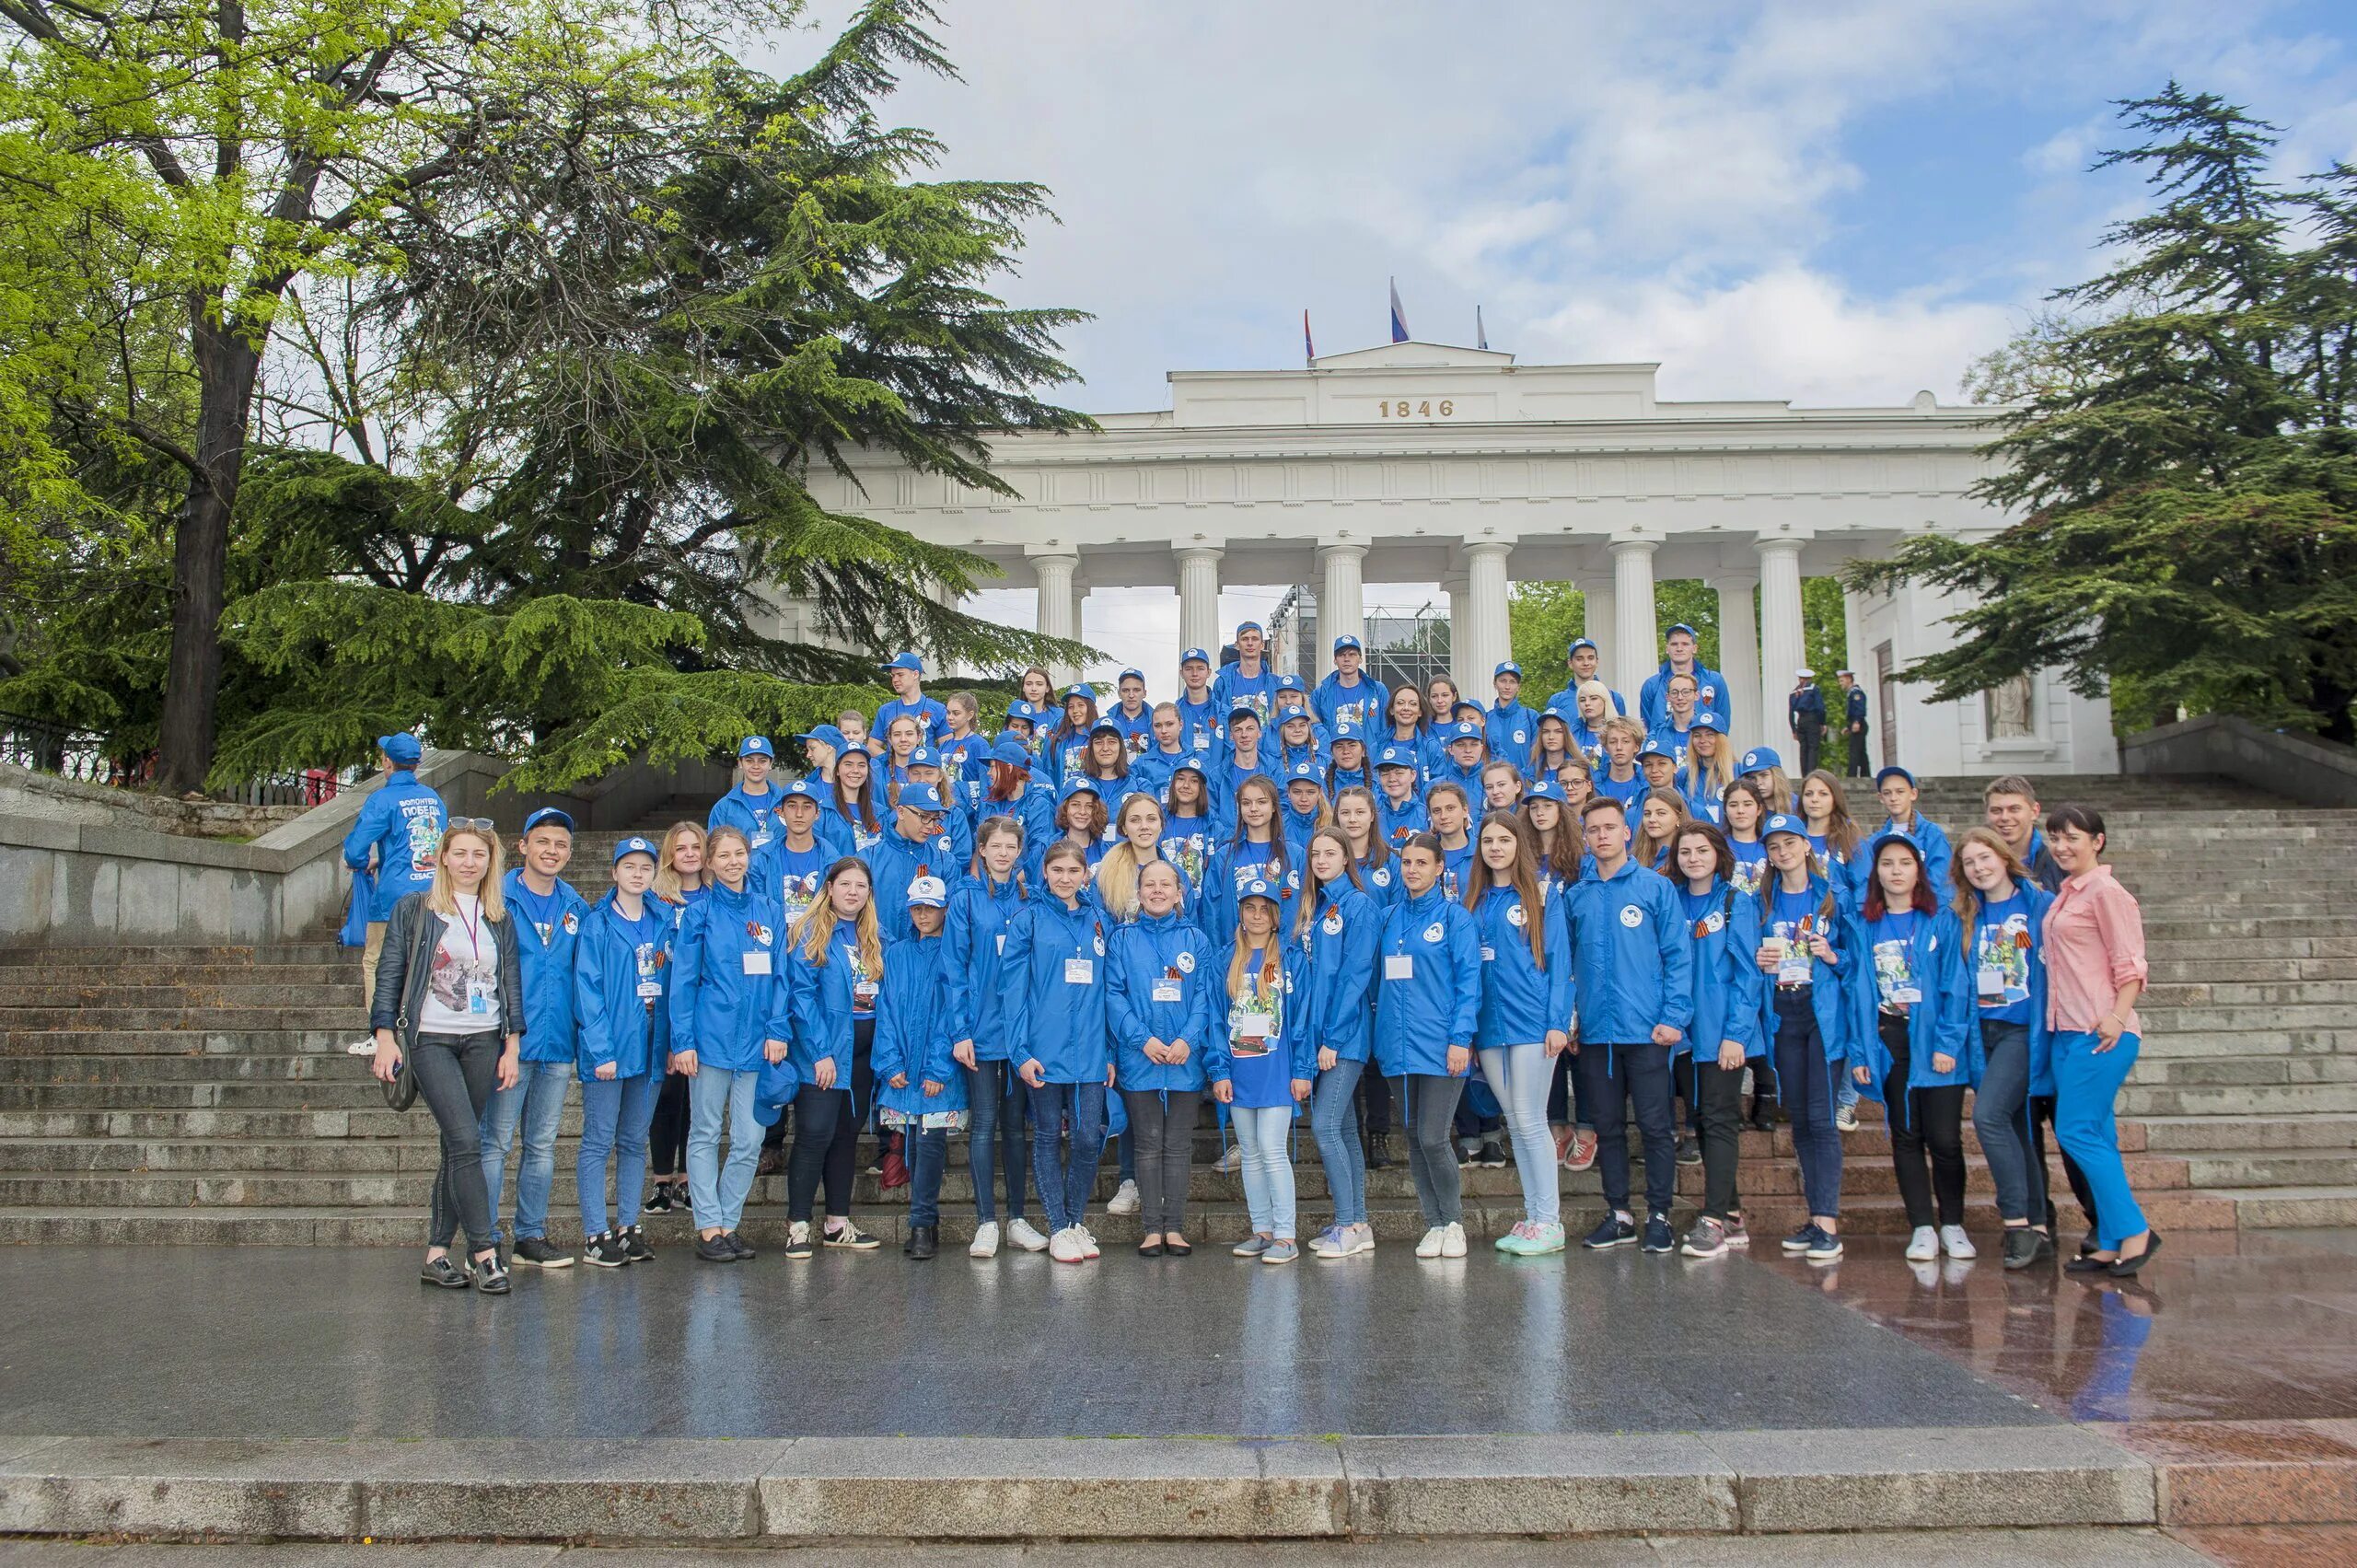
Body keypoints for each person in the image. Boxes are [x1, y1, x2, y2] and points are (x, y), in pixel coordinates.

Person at [370, 819, 526, 1293]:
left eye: (478, 855)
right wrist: (383, 1034)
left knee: (457, 1146)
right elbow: (390, 970)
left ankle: (437, 1255)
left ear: (490, 861)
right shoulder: (416, 909)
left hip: (483, 1040)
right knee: (466, 1141)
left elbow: (511, 984)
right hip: (431, 1039)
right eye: (460, 853)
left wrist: (512, 1043)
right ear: (443, 857)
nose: (469, 863)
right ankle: (484, 1252)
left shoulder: (498, 915)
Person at [1562, 797, 1692, 1254]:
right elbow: (1567, 967)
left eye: (1609, 827)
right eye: (1593, 829)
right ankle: (1619, 1214)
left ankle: (1659, 1215)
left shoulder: (1655, 889)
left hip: (1648, 1032)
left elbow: (1678, 956)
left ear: (1625, 832)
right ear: (1585, 835)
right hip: (1598, 1033)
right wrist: (1572, 1020)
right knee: (1608, 1127)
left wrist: (1673, 1018)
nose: (1601, 836)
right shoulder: (1575, 896)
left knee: (1656, 1127)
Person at [1848, 832, 1978, 1263]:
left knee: (1944, 1138)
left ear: (1919, 871)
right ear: (1876, 872)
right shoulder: (1864, 925)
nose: (1896, 871)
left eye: (1905, 863)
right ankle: (1922, 1226)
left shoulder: (1939, 920)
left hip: (1934, 1040)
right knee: (1905, 1136)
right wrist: (1862, 1053)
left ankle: (1953, 1224)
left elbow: (1956, 987)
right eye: (1887, 863)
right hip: (1890, 1041)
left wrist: (1948, 1043)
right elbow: (1858, 992)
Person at [2043, 804, 2159, 1276]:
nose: (2062, 846)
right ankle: (2110, 1239)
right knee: (2098, 1134)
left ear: (2098, 841)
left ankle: (2136, 1231)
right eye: (2055, 838)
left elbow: (2131, 965)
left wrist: (2117, 1016)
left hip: (2101, 1031)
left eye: (2072, 837)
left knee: (2076, 1131)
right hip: (2066, 1032)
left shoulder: (2108, 892)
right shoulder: (2067, 892)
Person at [667, 825, 784, 1264]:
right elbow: (683, 982)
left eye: (740, 854)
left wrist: (777, 1029)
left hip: (756, 1044)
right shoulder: (699, 914)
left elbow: (780, 976)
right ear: (710, 863)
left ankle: (729, 1223)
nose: (733, 862)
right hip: (711, 1040)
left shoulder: (768, 910)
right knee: (704, 1132)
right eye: (724, 856)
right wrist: (683, 1041)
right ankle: (708, 1226)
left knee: (750, 1139)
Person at [481, 806, 588, 1268]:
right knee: (495, 1143)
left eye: (561, 844)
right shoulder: (496, 899)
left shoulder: (576, 906)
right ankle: (482, 1239)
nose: (552, 850)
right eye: (542, 841)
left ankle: (530, 1235)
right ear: (523, 846)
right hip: (510, 1044)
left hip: (557, 1042)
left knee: (542, 1145)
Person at [1466, 813, 1573, 1257]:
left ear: (1518, 844)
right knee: (1517, 1122)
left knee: (1530, 1120)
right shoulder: (1473, 900)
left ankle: (1550, 1221)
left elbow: (1561, 962)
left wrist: (1557, 1022)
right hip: (1490, 1028)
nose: (1495, 847)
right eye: (1488, 840)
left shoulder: (1543, 895)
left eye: (1504, 839)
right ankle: (1533, 1217)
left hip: (1532, 1024)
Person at [1005, 841, 1116, 1263]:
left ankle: (1073, 1222)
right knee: (1049, 1135)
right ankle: (1058, 1226)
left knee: (1089, 1136)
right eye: (1058, 870)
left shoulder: (1099, 922)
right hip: (1044, 1049)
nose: (1066, 878)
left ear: (1085, 875)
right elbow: (1012, 991)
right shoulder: (1028, 919)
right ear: (1045, 874)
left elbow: (1106, 991)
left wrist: (1108, 1051)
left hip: (1089, 1051)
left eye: (1074, 870)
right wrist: (1020, 1051)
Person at [1373, 833, 1483, 1260]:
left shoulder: (1456, 919)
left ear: (1441, 868)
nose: (1412, 870)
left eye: (1422, 862)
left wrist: (1461, 1038)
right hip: (1397, 1046)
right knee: (1413, 1138)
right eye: (1407, 863)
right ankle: (1432, 1223)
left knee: (1433, 1137)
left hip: (1440, 1045)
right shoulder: (1389, 917)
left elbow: (1468, 982)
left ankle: (1453, 1221)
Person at [1953, 827, 2058, 1270]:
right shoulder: (1966, 914)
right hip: (1985, 1032)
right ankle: (2038, 1226)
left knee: (1989, 1116)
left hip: (2023, 1031)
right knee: (2015, 1128)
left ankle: (2015, 1221)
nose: (1979, 868)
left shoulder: (2039, 905)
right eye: (1969, 863)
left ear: (2003, 857)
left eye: (1984, 858)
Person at [772, 857, 888, 1259]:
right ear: (830, 888)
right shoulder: (810, 933)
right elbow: (801, 998)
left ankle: (837, 1224)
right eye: (846, 884)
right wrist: (820, 1052)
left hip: (863, 1055)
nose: (853, 892)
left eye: (861, 886)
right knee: (814, 1134)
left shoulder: (874, 934)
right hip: (821, 1054)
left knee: (846, 1136)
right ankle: (798, 1225)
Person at [1107, 859, 1220, 1256]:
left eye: (1165, 885)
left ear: (1179, 893)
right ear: (1138, 893)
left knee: (1177, 1145)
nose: (1157, 891)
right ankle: (1152, 1229)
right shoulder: (1122, 940)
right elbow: (1113, 994)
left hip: (1184, 1059)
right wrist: (1142, 1040)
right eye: (1149, 885)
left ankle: (1175, 1227)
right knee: (1148, 1143)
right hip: (1141, 1059)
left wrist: (1190, 1039)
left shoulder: (1197, 939)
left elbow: (1206, 995)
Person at [945, 818, 1046, 1258]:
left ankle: (1018, 1219)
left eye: (1011, 846)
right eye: (996, 846)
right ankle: (986, 1220)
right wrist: (961, 1030)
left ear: (1020, 851)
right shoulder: (965, 899)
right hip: (982, 1032)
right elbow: (954, 970)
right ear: (981, 850)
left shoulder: (1031, 900)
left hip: (1022, 1034)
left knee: (1015, 1129)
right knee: (984, 1125)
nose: (1003, 853)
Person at [1755, 812, 1854, 1262]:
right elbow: (1748, 957)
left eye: (1789, 843)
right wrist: (1759, 960)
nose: (1782, 852)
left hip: (1823, 1013)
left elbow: (1859, 964)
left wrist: (1833, 956)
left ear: (1806, 846)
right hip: (1783, 1012)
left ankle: (1828, 1223)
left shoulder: (1834, 898)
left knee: (1821, 1117)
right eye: (1774, 847)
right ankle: (1815, 1219)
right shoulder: (1763, 902)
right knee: (1798, 1118)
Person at [571, 835, 671, 1269]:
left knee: (633, 1141)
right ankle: (595, 1233)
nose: (637, 874)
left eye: (645, 867)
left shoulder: (664, 919)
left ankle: (629, 1228)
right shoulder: (597, 924)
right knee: (598, 1141)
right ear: (614, 872)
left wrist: (672, 1042)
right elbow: (587, 991)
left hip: (650, 1045)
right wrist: (600, 1049)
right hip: (611, 1047)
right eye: (628, 866)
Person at [1668, 822, 1765, 1259]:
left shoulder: (1734, 902)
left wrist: (1736, 1035)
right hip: (1683, 1034)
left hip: (1723, 1033)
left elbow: (1748, 973)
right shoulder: (1670, 900)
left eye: (1701, 850)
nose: (1692, 858)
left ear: (1718, 853)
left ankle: (1712, 1220)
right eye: (1685, 851)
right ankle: (1732, 1213)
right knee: (1702, 1120)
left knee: (1721, 1119)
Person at [1294, 830, 1382, 1259]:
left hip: (1342, 1036)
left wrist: (1331, 1038)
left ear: (1348, 859)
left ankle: (1347, 1223)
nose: (1321, 859)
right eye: (1315, 854)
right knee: (1344, 1130)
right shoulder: (1319, 905)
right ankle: (1357, 1222)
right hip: (1320, 1034)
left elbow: (1355, 975)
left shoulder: (1359, 906)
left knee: (1325, 1128)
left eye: (1331, 853)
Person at [872, 875, 964, 1261]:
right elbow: (887, 1010)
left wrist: (938, 1068)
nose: (923, 914)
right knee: (910, 1142)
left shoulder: (954, 953)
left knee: (929, 1145)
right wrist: (889, 1060)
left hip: (936, 1071)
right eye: (917, 907)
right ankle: (924, 1217)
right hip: (903, 1067)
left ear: (945, 908)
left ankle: (921, 1222)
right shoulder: (895, 954)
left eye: (930, 907)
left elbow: (954, 1014)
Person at [1221, 877, 1311, 1264]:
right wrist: (1218, 1070)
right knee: (1252, 1154)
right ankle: (1262, 1230)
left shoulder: (1291, 960)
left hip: (1278, 1071)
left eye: (1264, 909)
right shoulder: (1227, 958)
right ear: (1240, 914)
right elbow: (1214, 1019)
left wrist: (1303, 1069)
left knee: (1273, 1151)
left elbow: (1303, 1019)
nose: (1256, 916)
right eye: (1249, 908)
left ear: (1276, 916)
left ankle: (1286, 1236)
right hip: (1239, 1072)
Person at [343, 733, 447, 992]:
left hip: (392, 900)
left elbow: (355, 851)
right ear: (416, 764)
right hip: (434, 896)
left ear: (387, 762)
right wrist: (381, 860)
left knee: (376, 962)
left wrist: (363, 861)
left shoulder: (382, 800)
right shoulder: (433, 798)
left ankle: (380, 1028)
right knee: (426, 963)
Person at [644, 822, 708, 1211]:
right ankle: (662, 1179)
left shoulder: (717, 896)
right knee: (667, 1094)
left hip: (707, 1007)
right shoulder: (656, 899)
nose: (688, 853)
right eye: (680, 847)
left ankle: (688, 1178)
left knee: (696, 1098)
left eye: (695, 846)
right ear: (670, 854)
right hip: (664, 1001)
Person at [1874, 766, 1955, 903]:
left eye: (1900, 792)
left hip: (1928, 912)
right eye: (1887, 793)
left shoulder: (1933, 834)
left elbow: (1940, 879)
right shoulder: (1875, 840)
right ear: (1880, 797)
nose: (1894, 798)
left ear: (1913, 794)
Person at [1095, 793, 1169, 924]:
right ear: (1124, 828)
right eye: (1135, 820)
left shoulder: (1177, 874)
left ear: (1161, 825)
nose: (1144, 826)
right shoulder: (1105, 874)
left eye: (1151, 819)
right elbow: (1100, 927)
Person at [1984, 774, 2066, 892]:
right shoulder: (1977, 866)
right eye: (1996, 810)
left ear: (2034, 811)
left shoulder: (2060, 865)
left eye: (2014, 809)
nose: (2005, 817)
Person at [1638, 623, 1725, 734]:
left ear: (1694, 648)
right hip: (1663, 748)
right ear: (1667, 649)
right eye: (1674, 644)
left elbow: (1723, 722)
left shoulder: (1714, 681)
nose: (1679, 649)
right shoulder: (1651, 685)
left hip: (1703, 746)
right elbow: (1647, 726)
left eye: (1685, 644)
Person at [709, 737, 785, 851]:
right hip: (740, 868)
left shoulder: (786, 802)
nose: (756, 766)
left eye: (762, 761)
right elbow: (714, 850)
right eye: (749, 760)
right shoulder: (723, 808)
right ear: (740, 763)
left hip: (781, 868)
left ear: (771, 763)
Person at [1156, 757, 1216, 897]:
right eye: (1181, 779)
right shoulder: (1158, 822)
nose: (1186, 785)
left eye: (1194, 781)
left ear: (1202, 788)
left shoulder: (1214, 827)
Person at [1313, 634, 1388, 732]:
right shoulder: (1321, 694)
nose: (1347, 659)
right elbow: (1316, 731)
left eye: (1352, 654)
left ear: (1360, 659)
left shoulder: (1377, 690)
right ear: (1335, 660)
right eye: (1341, 655)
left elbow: (1387, 727)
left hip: (1370, 747)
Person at [1212, 620, 1281, 724]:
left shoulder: (1275, 682)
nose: (1250, 643)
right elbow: (1216, 718)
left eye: (1255, 639)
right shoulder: (1222, 683)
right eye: (1245, 639)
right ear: (1237, 645)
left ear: (1262, 645)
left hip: (1266, 739)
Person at [1545, 636, 1626, 721]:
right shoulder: (1556, 701)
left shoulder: (1614, 698)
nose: (1586, 663)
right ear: (1570, 663)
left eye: (1590, 658)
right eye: (1579, 659)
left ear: (1597, 661)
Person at [1677, 713, 1734, 825]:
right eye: (1697, 735)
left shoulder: (1737, 771)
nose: (1703, 740)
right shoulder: (1684, 774)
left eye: (1710, 735)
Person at [1485, 661, 1538, 775]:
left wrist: (1527, 780)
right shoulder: (1486, 718)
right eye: (1502, 681)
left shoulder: (1531, 717)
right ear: (1494, 684)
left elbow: (1538, 755)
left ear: (1518, 687)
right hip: (1493, 785)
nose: (1507, 687)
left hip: (1524, 787)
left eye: (1513, 682)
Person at [1373, 744, 1429, 846]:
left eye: (1399, 773)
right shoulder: (1374, 816)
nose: (1392, 779)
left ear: (1413, 775)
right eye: (1385, 774)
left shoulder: (1426, 816)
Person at [1174, 647, 1225, 754]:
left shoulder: (1223, 712)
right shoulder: (1174, 714)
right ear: (1181, 673)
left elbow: (1231, 753)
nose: (1195, 673)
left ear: (1209, 672)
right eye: (1189, 669)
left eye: (1200, 668)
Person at [1593, 716, 1648, 816]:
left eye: (1625, 741)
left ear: (1636, 747)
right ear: (1605, 748)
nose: (1619, 747)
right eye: (1613, 742)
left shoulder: (1647, 784)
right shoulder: (1593, 783)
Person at [1105, 668, 1155, 753]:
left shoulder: (1155, 722)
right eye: (1126, 690)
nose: (1131, 695)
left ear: (1144, 693)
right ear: (1119, 693)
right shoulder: (1108, 723)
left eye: (1136, 690)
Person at [1788, 668, 1828, 778]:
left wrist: (1793, 729)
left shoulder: (1794, 692)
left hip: (1800, 721)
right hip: (1812, 719)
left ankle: (1804, 775)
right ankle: (1811, 774)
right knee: (1813, 747)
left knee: (1803, 748)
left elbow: (1791, 712)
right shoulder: (1814, 689)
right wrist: (1822, 723)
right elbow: (1820, 708)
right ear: (1809, 678)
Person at [1838, 669, 1870, 778]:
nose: (1840, 683)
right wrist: (1848, 727)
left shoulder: (1856, 692)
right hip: (1856, 724)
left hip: (1859, 724)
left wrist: (1856, 722)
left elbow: (1859, 709)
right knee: (1861, 753)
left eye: (1842, 680)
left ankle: (1851, 776)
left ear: (1848, 679)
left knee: (1854, 751)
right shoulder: (1851, 693)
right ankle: (1866, 775)